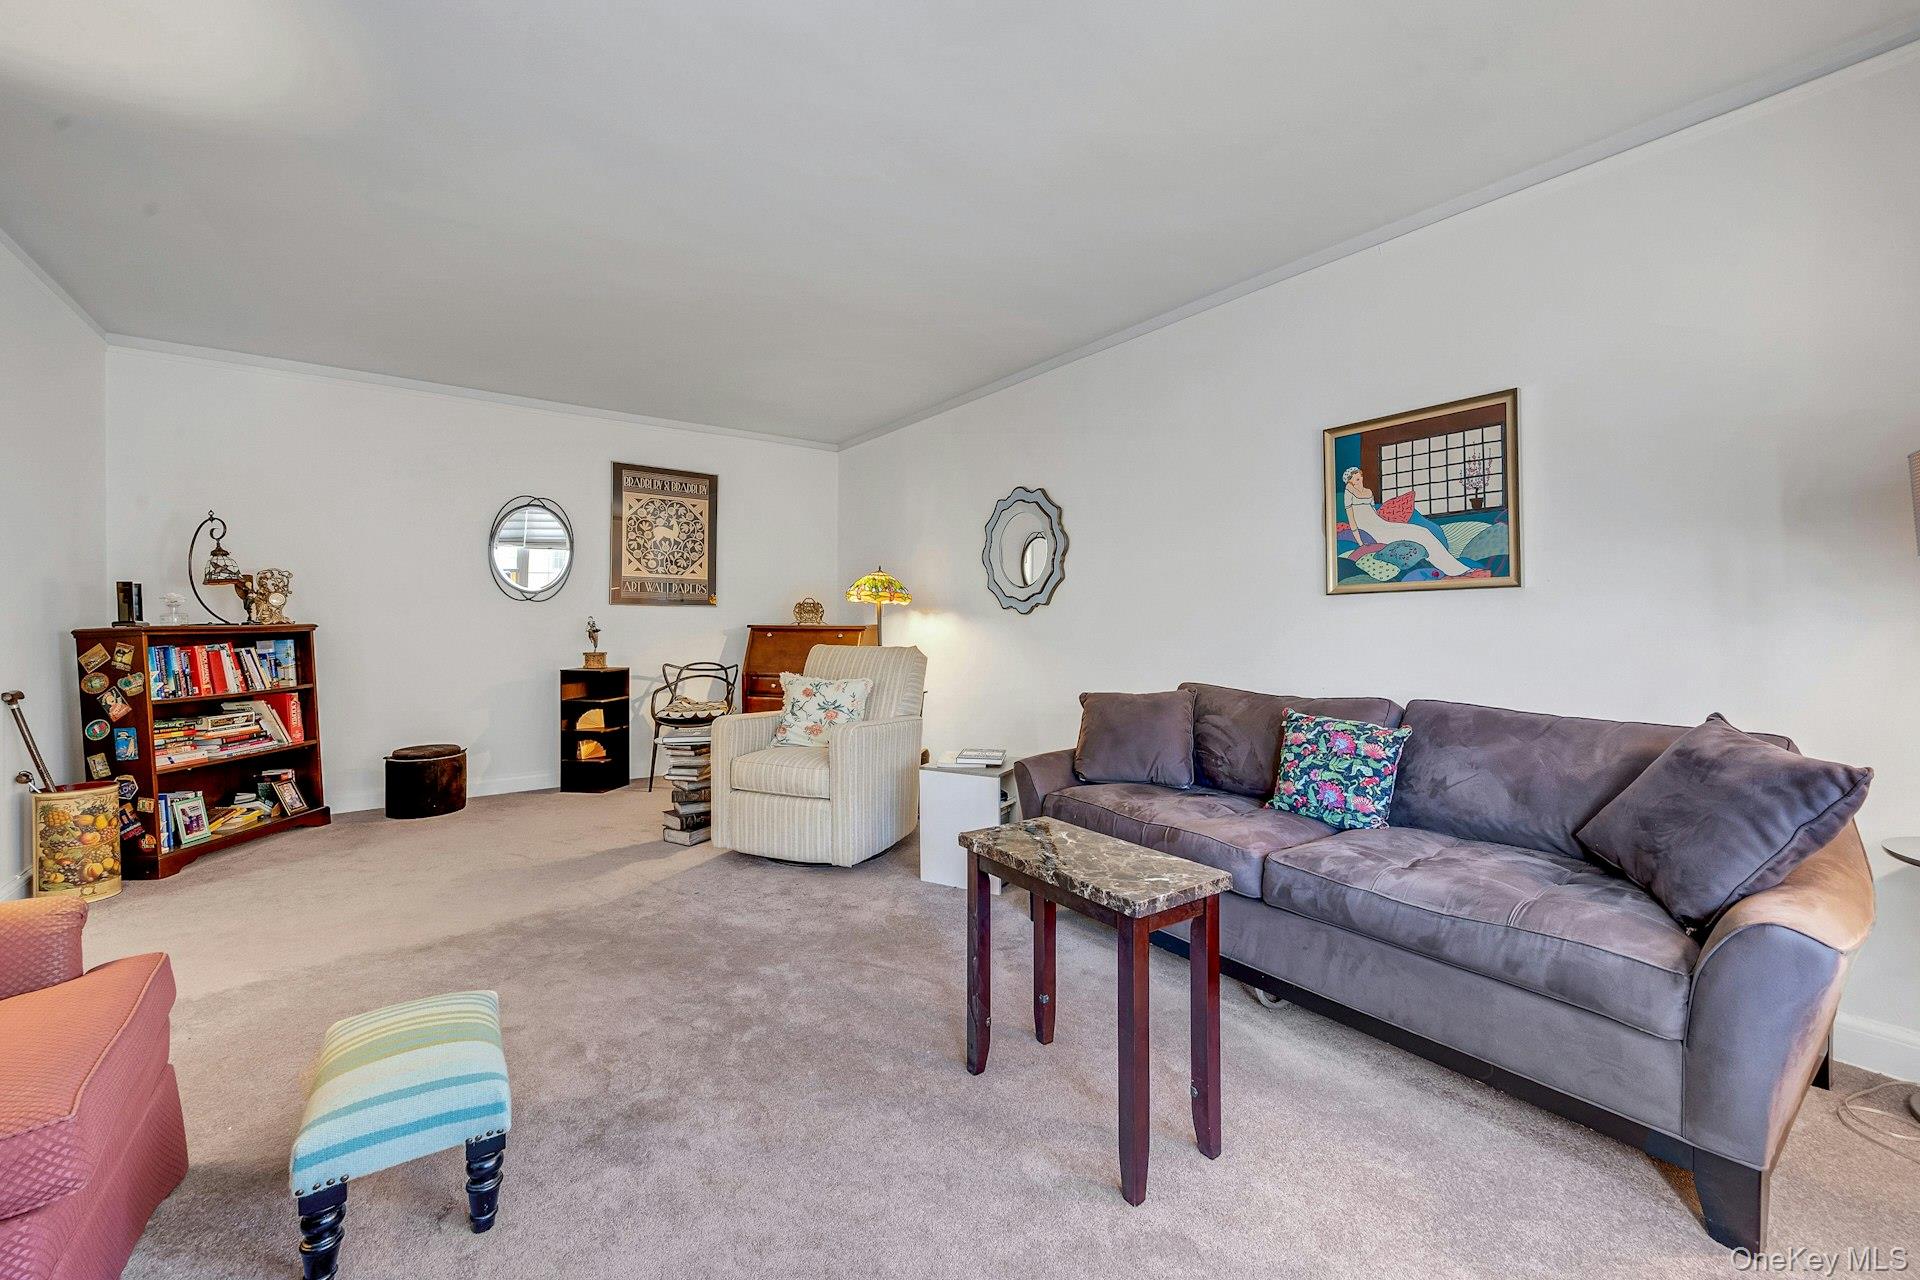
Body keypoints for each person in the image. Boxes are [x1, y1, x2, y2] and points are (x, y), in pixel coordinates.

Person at [1340, 466, 1480, 577]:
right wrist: (1360, 542)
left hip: (1380, 523)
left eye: (1361, 478)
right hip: (1370, 528)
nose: (1360, 482)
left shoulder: (1368, 492)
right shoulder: (1349, 493)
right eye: (1356, 480)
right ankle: (1453, 569)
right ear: (1351, 482)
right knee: (1416, 536)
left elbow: (1374, 512)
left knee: (1422, 531)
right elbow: (1352, 519)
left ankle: (1455, 567)